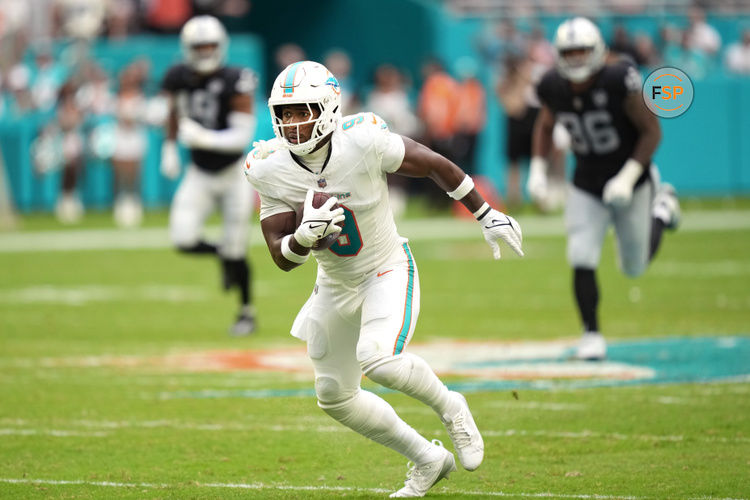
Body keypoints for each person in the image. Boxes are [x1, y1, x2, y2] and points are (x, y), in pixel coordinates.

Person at [244, 61, 523, 498]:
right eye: (286, 113)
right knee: (334, 395)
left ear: (330, 107)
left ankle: (451, 407)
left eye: (303, 111)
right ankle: (427, 459)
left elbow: (435, 164)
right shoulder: (268, 166)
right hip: (335, 282)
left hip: (386, 267)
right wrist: (301, 237)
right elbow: (280, 254)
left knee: (379, 358)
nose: (294, 123)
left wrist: (485, 213)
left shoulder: (364, 140)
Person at [526, 17, 681, 361]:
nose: (577, 59)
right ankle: (591, 334)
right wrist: (538, 169)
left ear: (598, 51)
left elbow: (652, 132)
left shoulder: (618, 78)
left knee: (634, 267)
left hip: (633, 178)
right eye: (570, 53)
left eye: (583, 51)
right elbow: (545, 125)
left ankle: (662, 207)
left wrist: (627, 178)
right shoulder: (552, 84)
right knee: (581, 255)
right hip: (586, 181)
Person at [160, 15, 258, 336]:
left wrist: (204, 138)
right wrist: (170, 147)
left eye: (209, 46)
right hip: (199, 173)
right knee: (182, 238)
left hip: (232, 173)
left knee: (238, 247)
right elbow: (173, 112)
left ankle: (246, 311)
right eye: (198, 47)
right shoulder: (178, 77)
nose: (204, 52)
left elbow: (242, 135)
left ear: (221, 47)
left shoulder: (236, 78)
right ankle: (222, 255)